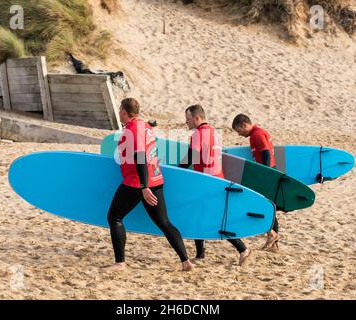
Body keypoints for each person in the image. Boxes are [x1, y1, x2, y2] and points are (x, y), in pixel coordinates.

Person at [105, 98, 194, 272]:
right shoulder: (145, 126)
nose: (120, 113)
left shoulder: (133, 129)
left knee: (114, 217)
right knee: (164, 222)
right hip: (156, 178)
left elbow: (140, 156)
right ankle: (186, 261)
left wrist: (144, 186)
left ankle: (120, 263)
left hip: (137, 182)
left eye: (120, 110)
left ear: (124, 111)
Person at [179, 105, 251, 266]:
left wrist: (176, 171)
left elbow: (191, 157)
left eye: (188, 119)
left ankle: (242, 249)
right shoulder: (213, 132)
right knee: (198, 214)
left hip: (207, 182)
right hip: (218, 180)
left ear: (197, 119)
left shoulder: (198, 133)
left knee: (212, 218)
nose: (186, 122)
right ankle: (200, 254)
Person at [231, 114, 279, 252]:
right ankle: (274, 244)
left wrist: (265, 172)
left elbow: (266, 153)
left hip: (268, 173)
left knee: (264, 206)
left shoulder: (257, 135)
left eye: (239, 131)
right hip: (270, 171)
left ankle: (273, 236)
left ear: (244, 125)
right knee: (270, 206)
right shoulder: (258, 133)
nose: (239, 134)